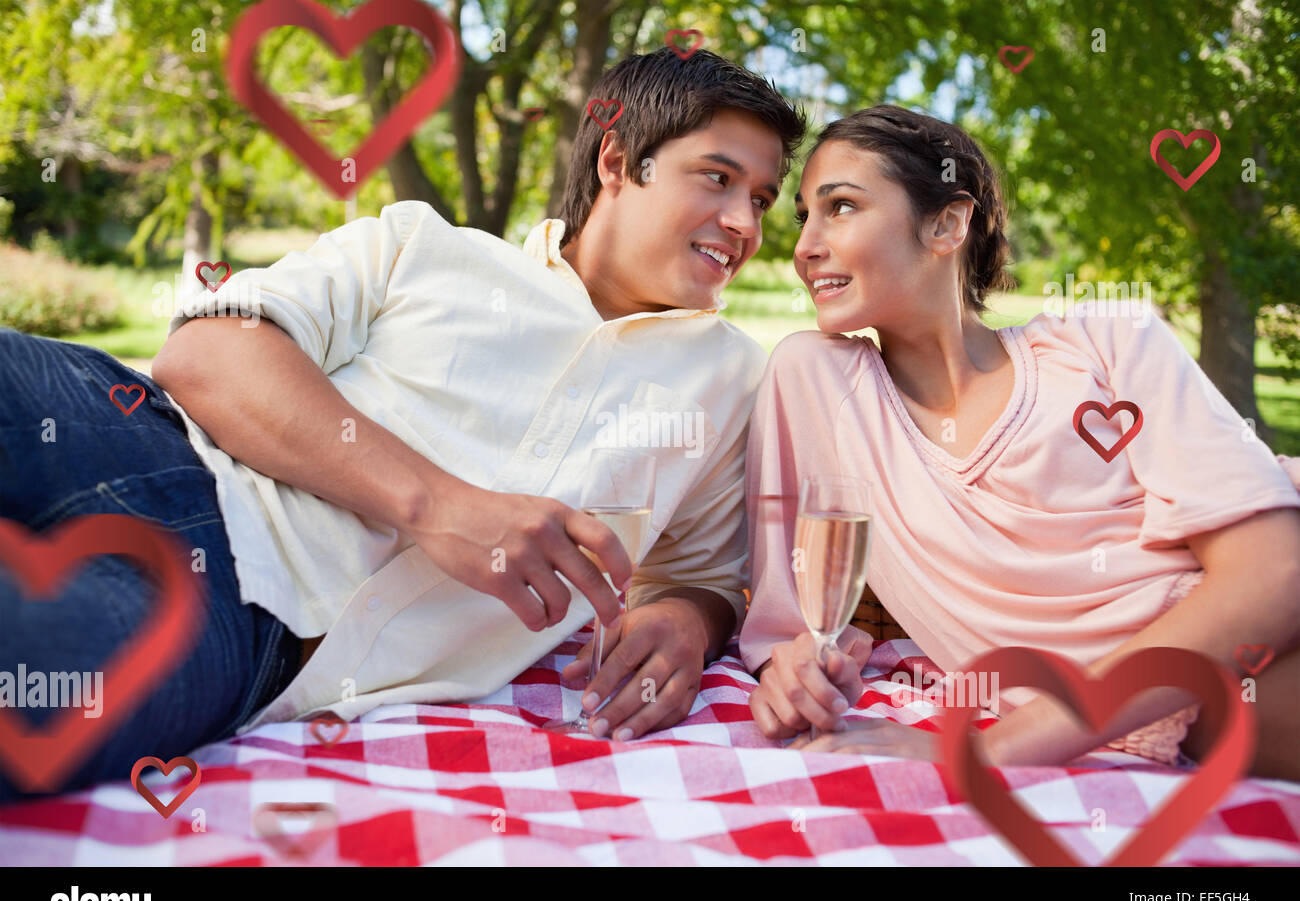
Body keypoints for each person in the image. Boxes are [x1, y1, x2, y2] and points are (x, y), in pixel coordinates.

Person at [0, 47, 806, 802]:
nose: (744, 222)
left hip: (241, 627)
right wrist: (440, 505)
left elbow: (704, 575)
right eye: (718, 178)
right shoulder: (421, 245)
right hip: (134, 434)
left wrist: (687, 622)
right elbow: (206, 356)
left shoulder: (732, 378)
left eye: (762, 199)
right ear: (619, 162)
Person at [739, 104, 1300, 780]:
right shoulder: (816, 381)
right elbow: (783, 615)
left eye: (843, 207)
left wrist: (994, 748)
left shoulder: (1108, 338)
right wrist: (787, 666)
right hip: (1193, 693)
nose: (805, 247)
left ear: (947, 223)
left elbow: (1275, 573)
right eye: (804, 216)